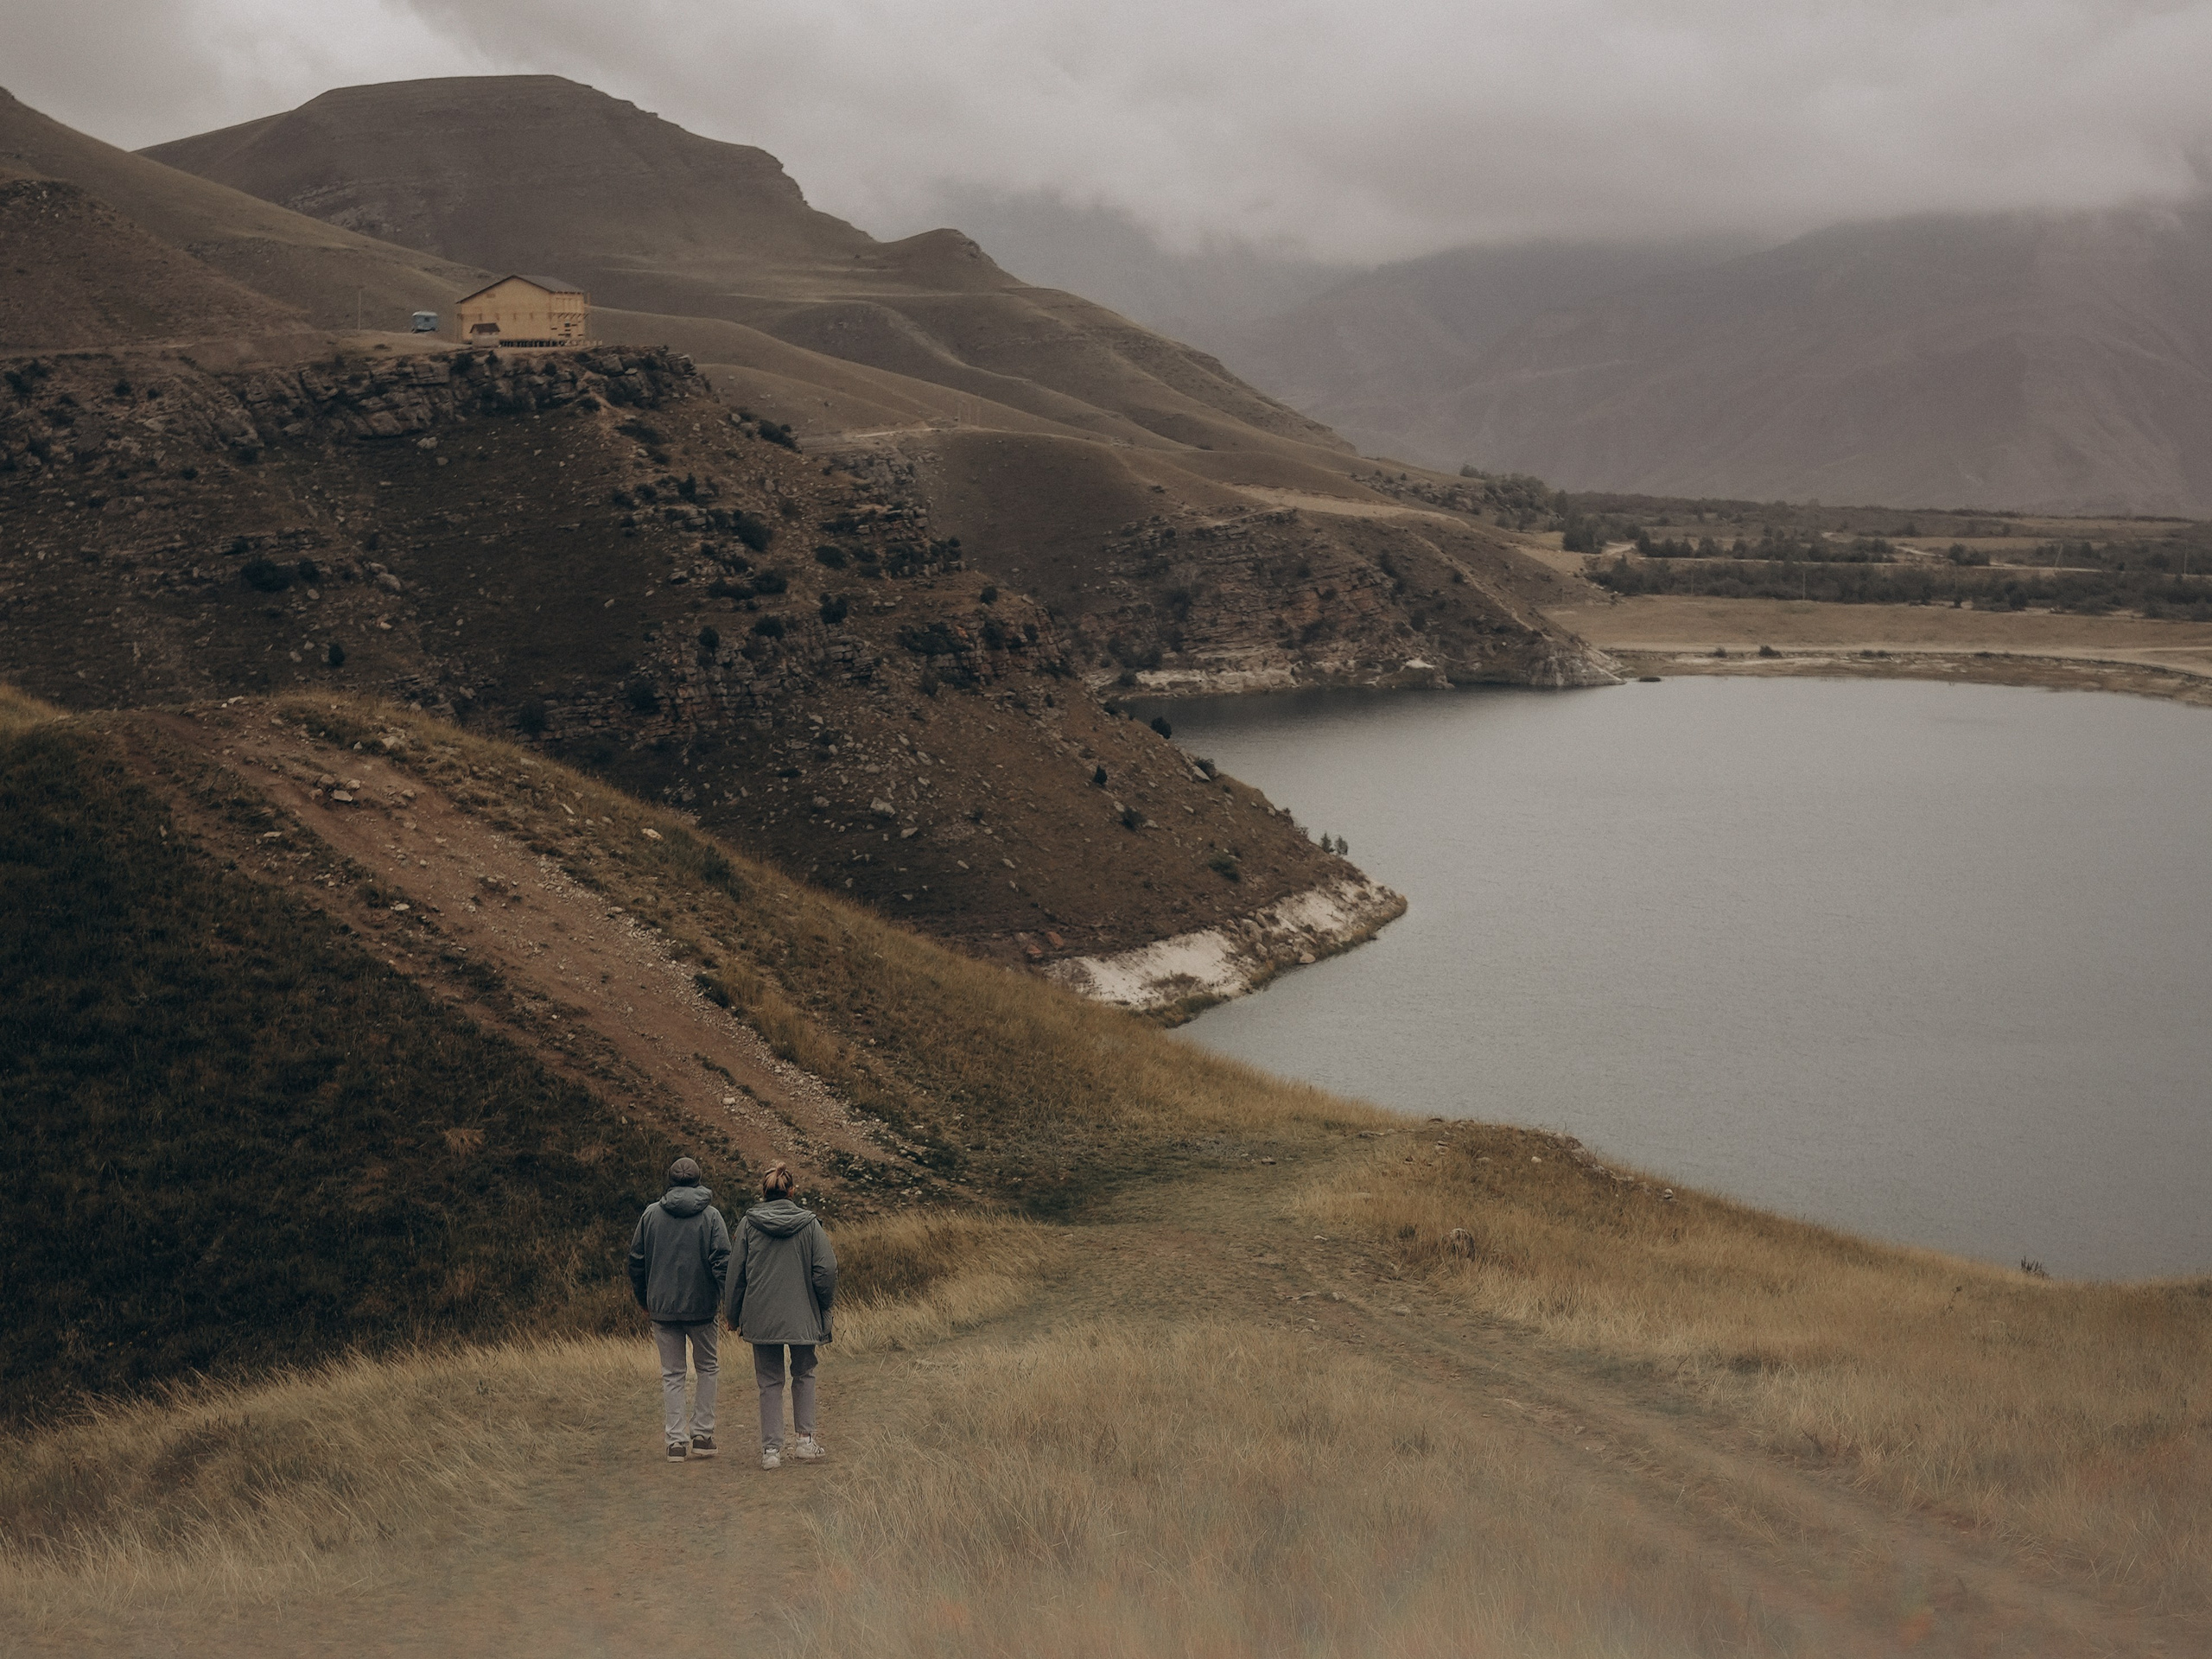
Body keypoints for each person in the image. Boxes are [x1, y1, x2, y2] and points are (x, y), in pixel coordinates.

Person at [724, 1161, 837, 1471]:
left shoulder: (748, 1225)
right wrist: (822, 1306)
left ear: (764, 1192)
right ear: (792, 1191)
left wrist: (732, 1315)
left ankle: (771, 1451)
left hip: (761, 1316)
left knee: (770, 1382)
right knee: (805, 1373)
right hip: (803, 1314)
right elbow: (826, 1271)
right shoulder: (810, 1225)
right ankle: (804, 1442)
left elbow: (736, 1275)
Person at [627, 1155, 731, 1462]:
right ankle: (702, 1435)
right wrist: (729, 1304)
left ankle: (675, 1443)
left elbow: (636, 1261)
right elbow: (722, 1263)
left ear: (671, 1182)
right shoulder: (712, 1216)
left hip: (662, 1309)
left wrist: (643, 1300)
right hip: (702, 1309)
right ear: (698, 1181)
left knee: (673, 1374)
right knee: (707, 1368)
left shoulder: (650, 1215)